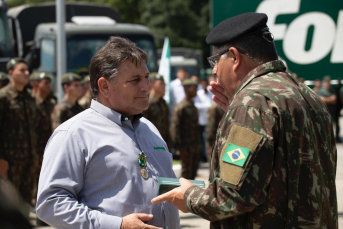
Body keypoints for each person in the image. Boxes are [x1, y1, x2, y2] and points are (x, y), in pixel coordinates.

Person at [152, 12, 338, 228]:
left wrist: (188, 196)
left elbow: (232, 196)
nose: (214, 71)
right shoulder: (309, 96)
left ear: (234, 57)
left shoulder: (252, 103)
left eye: (214, 60)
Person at [36, 36, 180, 229]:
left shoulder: (149, 128)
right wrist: (117, 225)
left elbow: (162, 184)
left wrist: (189, 193)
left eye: (146, 77)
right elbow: (50, 204)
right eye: (135, 80)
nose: (146, 87)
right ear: (105, 86)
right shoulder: (74, 134)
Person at [0, 57, 41, 209]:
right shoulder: (3, 97)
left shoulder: (29, 97)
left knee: (25, 203)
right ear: (11, 73)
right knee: (10, 205)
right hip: (10, 161)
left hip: (30, 159)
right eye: (22, 70)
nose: (27, 73)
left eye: (27, 70)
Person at [170, 79, 202, 180]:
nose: (196, 90)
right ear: (186, 89)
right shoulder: (180, 107)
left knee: (193, 176)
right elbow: (175, 128)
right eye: (194, 88)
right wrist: (180, 148)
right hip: (186, 148)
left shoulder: (193, 106)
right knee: (186, 177)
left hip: (195, 147)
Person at [142, 73, 171, 149]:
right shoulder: (146, 102)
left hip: (163, 142)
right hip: (150, 143)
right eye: (161, 84)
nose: (164, 86)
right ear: (152, 84)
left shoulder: (162, 102)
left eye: (164, 84)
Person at [193, 78, 213, 162]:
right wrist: (206, 107)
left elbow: (212, 103)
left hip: (210, 119)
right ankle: (202, 155)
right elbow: (196, 105)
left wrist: (208, 107)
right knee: (201, 139)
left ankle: (207, 155)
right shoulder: (198, 93)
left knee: (208, 138)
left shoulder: (210, 92)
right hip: (201, 119)